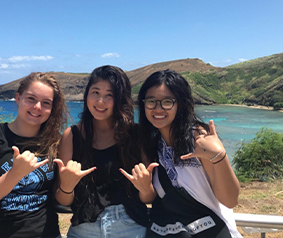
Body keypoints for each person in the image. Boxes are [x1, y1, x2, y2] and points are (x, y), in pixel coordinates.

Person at [132, 69, 242, 237]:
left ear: (180, 104)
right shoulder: (151, 145)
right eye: (151, 101)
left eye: (167, 102)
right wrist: (145, 188)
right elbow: (151, 198)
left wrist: (219, 156)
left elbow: (230, 200)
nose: (158, 109)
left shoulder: (199, 139)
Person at [55, 65, 151, 238]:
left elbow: (149, 197)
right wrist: (67, 187)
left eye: (110, 95)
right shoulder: (72, 135)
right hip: (83, 228)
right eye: (95, 92)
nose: (100, 101)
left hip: (131, 225)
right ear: (86, 95)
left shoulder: (136, 135)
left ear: (120, 99)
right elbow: (63, 200)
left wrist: (145, 188)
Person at [0, 72, 67, 238]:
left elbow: (60, 194)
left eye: (46, 103)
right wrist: (15, 174)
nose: (37, 107)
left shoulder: (56, 142)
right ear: (18, 98)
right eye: (31, 99)